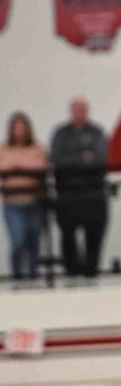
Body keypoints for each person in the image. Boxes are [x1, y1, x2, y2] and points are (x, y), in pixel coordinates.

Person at [50, 97, 109, 278]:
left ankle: (91, 274)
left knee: (94, 237)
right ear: (71, 111)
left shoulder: (97, 132)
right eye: (76, 109)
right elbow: (57, 161)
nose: (79, 113)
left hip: (94, 195)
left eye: (82, 109)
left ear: (87, 111)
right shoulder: (60, 133)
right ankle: (72, 274)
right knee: (68, 237)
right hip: (67, 195)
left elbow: (99, 159)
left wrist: (73, 160)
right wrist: (83, 157)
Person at [0, 112, 48, 280]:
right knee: (18, 240)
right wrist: (24, 168)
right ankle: (17, 275)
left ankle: (33, 274)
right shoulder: (3, 148)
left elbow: (40, 168)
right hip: (12, 203)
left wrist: (16, 168)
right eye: (16, 127)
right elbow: (3, 169)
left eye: (22, 127)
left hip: (34, 201)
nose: (19, 131)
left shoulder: (37, 148)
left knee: (33, 241)